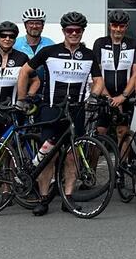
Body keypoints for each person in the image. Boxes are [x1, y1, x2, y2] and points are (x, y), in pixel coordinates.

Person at [21, 11, 96, 215]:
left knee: (72, 156)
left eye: (77, 30)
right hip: (51, 110)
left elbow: (98, 80)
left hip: (77, 111)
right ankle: (44, 198)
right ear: (63, 31)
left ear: (82, 32)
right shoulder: (49, 51)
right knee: (48, 156)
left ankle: (68, 198)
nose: (73, 33)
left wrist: (95, 96)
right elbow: (25, 71)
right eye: (69, 30)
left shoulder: (89, 55)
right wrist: (22, 99)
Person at [92, 10, 136, 153]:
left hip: (125, 96)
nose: (118, 29)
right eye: (115, 25)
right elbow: (96, 74)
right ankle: (92, 173)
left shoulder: (134, 44)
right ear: (110, 26)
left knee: (123, 133)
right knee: (99, 133)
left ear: (126, 27)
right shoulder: (100, 43)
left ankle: (120, 170)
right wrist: (109, 98)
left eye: (122, 26)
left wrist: (123, 97)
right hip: (104, 96)